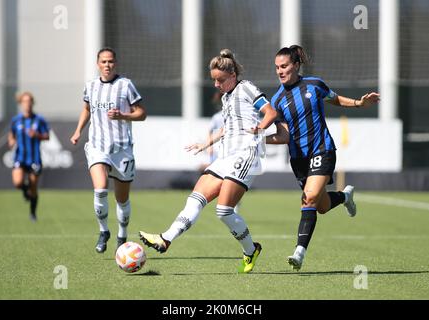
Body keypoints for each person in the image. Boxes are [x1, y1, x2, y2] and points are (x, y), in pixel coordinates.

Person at [139, 49, 278, 273]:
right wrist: (207, 142)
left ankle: (250, 250)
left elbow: (271, 112)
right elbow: (227, 126)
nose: (216, 84)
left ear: (233, 75)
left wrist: (259, 128)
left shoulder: (246, 88)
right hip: (225, 156)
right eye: (213, 80)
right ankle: (165, 239)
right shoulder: (226, 97)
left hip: (246, 153)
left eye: (220, 80)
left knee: (223, 211)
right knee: (195, 199)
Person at [267, 45, 380, 270]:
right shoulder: (277, 100)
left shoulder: (314, 84)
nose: (280, 71)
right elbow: (284, 136)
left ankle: (299, 252)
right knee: (321, 206)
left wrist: (359, 103)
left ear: (296, 65)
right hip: (298, 159)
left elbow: (335, 99)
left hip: (322, 150)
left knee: (308, 198)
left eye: (284, 66)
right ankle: (344, 197)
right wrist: (259, 140)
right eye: (277, 67)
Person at [70, 47, 147, 253]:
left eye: (110, 61)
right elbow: (86, 109)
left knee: (121, 199)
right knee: (101, 189)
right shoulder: (91, 86)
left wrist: (123, 115)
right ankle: (104, 231)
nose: (107, 65)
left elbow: (141, 113)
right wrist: (78, 131)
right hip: (97, 146)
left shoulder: (125, 85)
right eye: (103, 62)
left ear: (115, 63)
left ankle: (122, 235)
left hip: (122, 149)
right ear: (98, 64)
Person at [8, 92, 50, 221]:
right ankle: (25, 190)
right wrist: (11, 141)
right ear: (21, 104)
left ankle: (33, 213)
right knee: (18, 182)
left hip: (34, 158)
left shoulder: (39, 119)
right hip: (20, 157)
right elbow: (11, 134)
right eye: (24, 101)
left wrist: (37, 135)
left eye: (29, 101)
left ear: (32, 103)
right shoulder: (16, 120)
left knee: (34, 187)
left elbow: (47, 136)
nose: (27, 104)